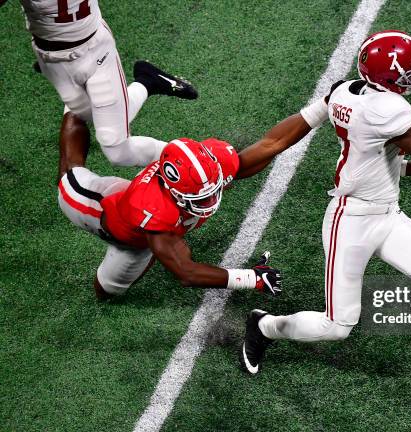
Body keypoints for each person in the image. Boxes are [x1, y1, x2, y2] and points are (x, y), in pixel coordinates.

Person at [238, 30, 411, 419]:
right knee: (338, 325)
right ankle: (263, 327)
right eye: (408, 70)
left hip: (386, 215)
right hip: (349, 222)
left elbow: (375, 162)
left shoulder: (345, 92)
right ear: (388, 77)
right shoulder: (389, 111)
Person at [56, 111, 285, 298]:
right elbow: (187, 273)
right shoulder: (153, 210)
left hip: (142, 234)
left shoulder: (207, 171)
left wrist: (318, 111)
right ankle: (75, 105)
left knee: (109, 291)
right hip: (102, 212)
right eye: (199, 196)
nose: (209, 199)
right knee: (68, 175)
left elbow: (272, 143)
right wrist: (252, 278)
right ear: (174, 190)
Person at [16, 0, 197, 166]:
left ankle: (193, 161)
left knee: (117, 151)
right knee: (90, 115)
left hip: (95, 53)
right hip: (52, 61)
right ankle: (148, 81)